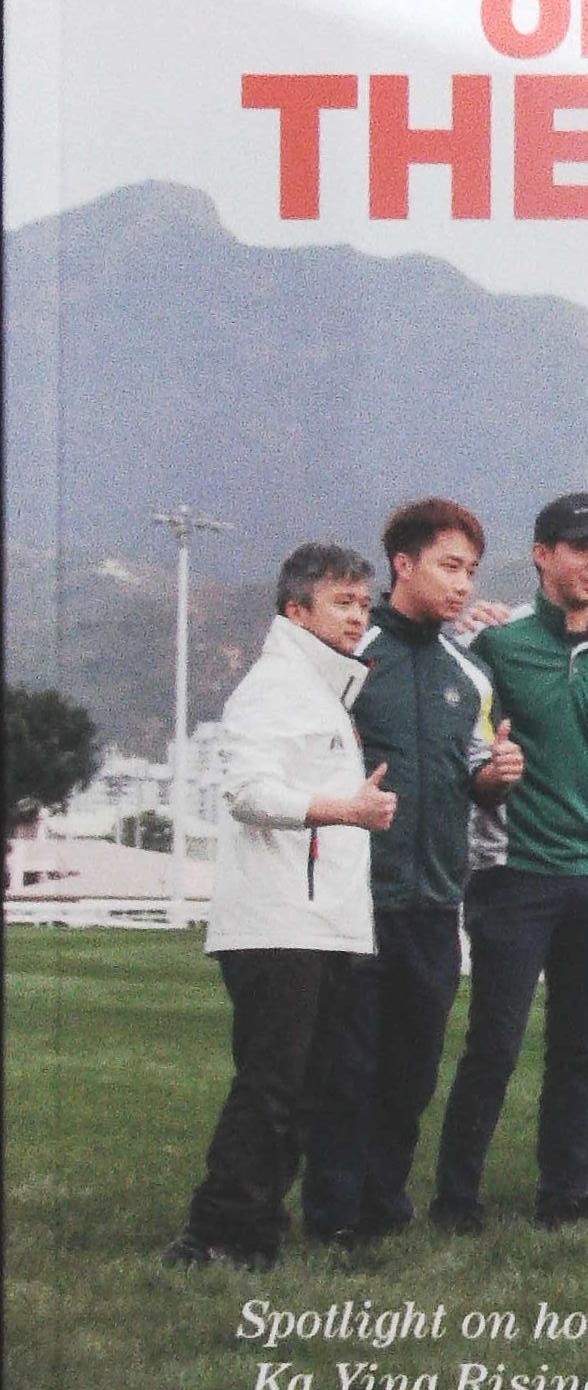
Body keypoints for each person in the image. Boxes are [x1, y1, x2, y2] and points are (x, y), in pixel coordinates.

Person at [430, 493, 588, 1231]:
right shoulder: (497, 646)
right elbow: (465, 746)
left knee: (582, 1048)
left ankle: (564, 1194)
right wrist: (487, 777)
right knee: (494, 1043)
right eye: (582, 547)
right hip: (515, 872)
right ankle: (455, 1200)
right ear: (542, 554)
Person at [164, 543, 396, 1271]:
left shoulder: (321, 690)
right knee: (272, 1084)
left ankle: (252, 1230)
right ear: (296, 610)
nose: (358, 616)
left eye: (363, 603)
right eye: (341, 602)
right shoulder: (273, 688)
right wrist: (345, 809)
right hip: (277, 922)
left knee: (298, 1089)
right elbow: (247, 792)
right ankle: (215, 1234)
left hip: (320, 923)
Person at [301, 499, 524, 1247]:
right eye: (449, 566)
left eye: (471, 570)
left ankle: (383, 1204)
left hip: (436, 900)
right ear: (403, 564)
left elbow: (478, 774)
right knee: (349, 1067)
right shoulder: (349, 654)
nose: (463, 584)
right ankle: (335, 1214)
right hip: (356, 899)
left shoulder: (470, 673)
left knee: (413, 1068)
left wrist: (498, 774)